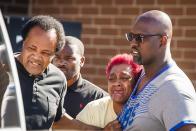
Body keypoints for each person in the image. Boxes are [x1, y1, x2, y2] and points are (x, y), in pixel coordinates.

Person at [117, 10, 196, 131]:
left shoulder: (174, 89)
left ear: (162, 41)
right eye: (131, 37)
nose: (133, 43)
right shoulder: (143, 75)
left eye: (140, 38)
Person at [1, 15, 67, 130]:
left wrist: (92, 128)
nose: (36, 57)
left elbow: (58, 119)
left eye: (45, 53)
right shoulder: (3, 69)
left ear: (54, 55)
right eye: (32, 48)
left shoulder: (59, 79)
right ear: (23, 43)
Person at [53, 53, 142, 130]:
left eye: (124, 78)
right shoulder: (93, 109)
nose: (117, 83)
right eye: (112, 79)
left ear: (136, 82)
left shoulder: (145, 110)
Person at [52, 36, 108, 118]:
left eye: (69, 58)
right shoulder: (42, 89)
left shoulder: (99, 98)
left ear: (81, 61)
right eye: (57, 57)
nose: (61, 63)